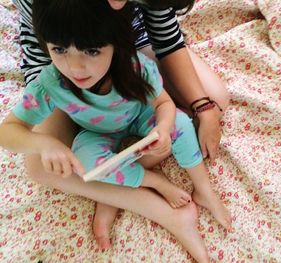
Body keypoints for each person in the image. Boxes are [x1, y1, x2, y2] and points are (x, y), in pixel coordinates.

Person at [1, 0, 232, 261]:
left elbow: (165, 45)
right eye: (61, 50)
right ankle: (147, 200)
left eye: (90, 51)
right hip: (68, 84)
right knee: (45, 165)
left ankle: (117, 184)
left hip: (121, 59)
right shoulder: (52, 80)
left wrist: (201, 107)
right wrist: (45, 144)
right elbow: (10, 131)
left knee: (209, 104)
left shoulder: (133, 64)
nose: (76, 67)